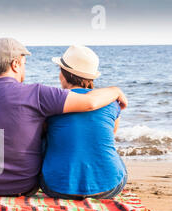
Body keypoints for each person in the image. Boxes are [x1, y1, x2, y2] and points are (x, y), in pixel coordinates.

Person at [0, 38, 128, 197]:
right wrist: (116, 91)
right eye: (24, 64)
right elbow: (90, 102)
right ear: (15, 64)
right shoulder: (37, 94)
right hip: (25, 187)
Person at [39, 45, 127, 199]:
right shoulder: (112, 103)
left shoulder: (53, 104)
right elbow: (112, 134)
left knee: (44, 138)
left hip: (56, 188)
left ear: (63, 74)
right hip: (109, 188)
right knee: (103, 143)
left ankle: (63, 175)